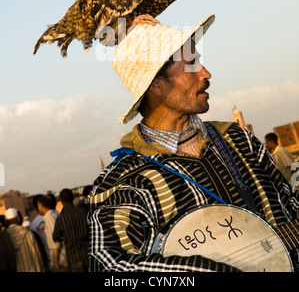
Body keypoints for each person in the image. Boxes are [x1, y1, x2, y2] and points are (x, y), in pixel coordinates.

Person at [87, 14, 299, 273]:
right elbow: (107, 266)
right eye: (191, 65)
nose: (206, 73)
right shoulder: (123, 182)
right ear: (155, 84)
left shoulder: (238, 139)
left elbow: (290, 201)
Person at [53, 188, 89, 272]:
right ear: (73, 198)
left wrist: (65, 236)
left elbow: (55, 237)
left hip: (73, 258)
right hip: (88, 254)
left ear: (61, 201)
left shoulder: (61, 218)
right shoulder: (83, 212)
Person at [4, 207, 45, 272]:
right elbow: (37, 254)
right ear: (18, 218)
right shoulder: (28, 234)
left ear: (6, 222)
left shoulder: (5, 238)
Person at [38, 195, 66, 271]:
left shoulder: (50, 217)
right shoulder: (55, 214)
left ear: (41, 205)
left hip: (59, 260)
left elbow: (55, 242)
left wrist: (55, 262)